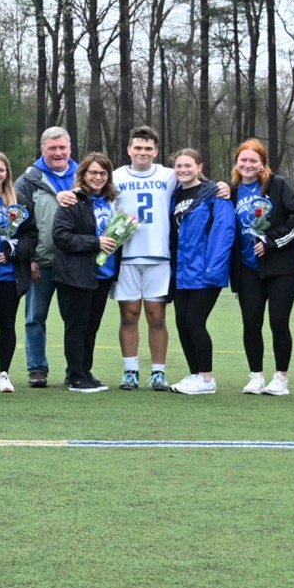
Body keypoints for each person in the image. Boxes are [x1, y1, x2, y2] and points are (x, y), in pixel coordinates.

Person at [229, 139, 294, 396]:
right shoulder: (231, 191)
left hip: (282, 267)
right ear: (237, 162)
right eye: (243, 160)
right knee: (251, 322)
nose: (248, 164)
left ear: (262, 164)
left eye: (254, 160)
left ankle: (281, 378)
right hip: (247, 268)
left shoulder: (278, 185)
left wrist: (270, 242)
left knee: (278, 321)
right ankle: (256, 376)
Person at [112, 126, 176, 391]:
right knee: (129, 316)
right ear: (129, 149)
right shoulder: (115, 177)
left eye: (148, 148)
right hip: (126, 256)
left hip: (159, 256)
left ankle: (158, 373)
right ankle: (131, 372)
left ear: (156, 151)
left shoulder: (169, 175)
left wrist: (222, 187)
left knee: (156, 316)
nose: (143, 152)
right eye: (137, 147)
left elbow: (197, 183)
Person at [51, 153, 121, 393]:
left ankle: (84, 371)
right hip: (76, 275)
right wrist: (95, 242)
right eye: (93, 172)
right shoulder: (72, 200)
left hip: (102, 275)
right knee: (77, 327)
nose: (98, 177)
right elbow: (61, 237)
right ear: (83, 174)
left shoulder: (111, 201)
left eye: (103, 173)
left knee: (91, 327)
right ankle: (75, 376)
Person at [167, 149, 234, 395]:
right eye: (179, 166)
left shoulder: (215, 194)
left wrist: (213, 268)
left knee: (195, 322)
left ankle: (207, 378)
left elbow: (224, 232)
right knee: (182, 323)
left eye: (188, 165)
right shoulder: (174, 195)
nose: (183, 170)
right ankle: (195, 374)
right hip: (181, 271)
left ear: (199, 167)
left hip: (205, 271)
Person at [14, 126, 76, 387]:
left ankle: (76, 370)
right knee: (34, 317)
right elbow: (18, 225)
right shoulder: (27, 181)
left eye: (62, 147)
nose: (58, 152)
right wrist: (29, 258)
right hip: (40, 263)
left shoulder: (84, 176)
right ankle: (37, 369)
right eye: (52, 148)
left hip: (74, 263)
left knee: (74, 320)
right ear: (42, 150)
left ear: (70, 148)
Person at [0, 152, 35, 393]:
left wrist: (13, 251)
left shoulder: (17, 200)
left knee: (7, 325)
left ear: (7, 173)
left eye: (1, 170)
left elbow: (31, 235)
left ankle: (4, 373)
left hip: (9, 276)